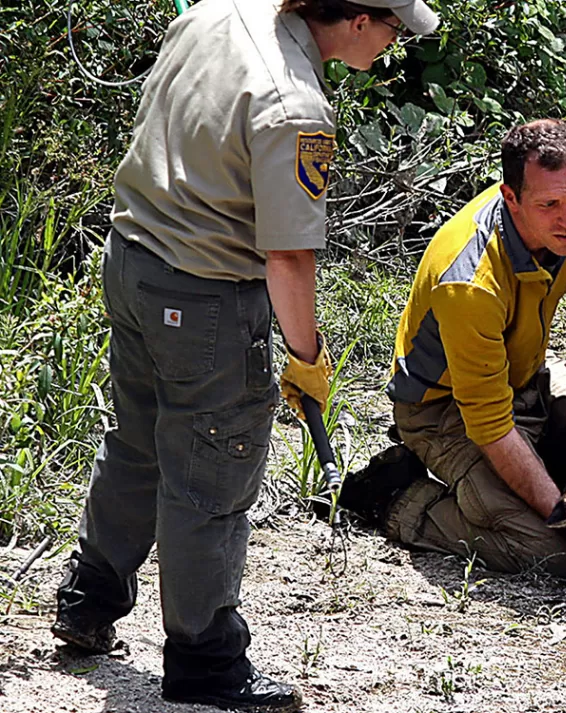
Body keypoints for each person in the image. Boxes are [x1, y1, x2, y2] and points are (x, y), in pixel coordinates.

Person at [52, 0, 439, 711]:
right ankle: (205, 659)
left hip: (132, 261)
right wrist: (306, 354)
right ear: (358, 20)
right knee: (212, 468)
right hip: (202, 295)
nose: (394, 46)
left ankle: (89, 600)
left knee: (137, 438)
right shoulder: (294, 105)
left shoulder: (218, 11)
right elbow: (288, 258)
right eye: (393, 29)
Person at [349, 119, 566, 576]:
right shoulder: (469, 279)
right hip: (447, 410)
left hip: (529, 377)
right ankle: (399, 498)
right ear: (510, 198)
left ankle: (543, 464)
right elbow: (491, 422)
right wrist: (561, 514)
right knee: (557, 552)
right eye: (550, 204)